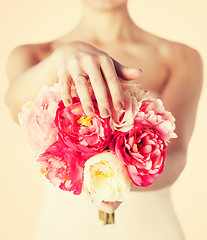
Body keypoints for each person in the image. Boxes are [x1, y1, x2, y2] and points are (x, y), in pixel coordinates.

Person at [5, 0, 203, 239]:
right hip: (62, 228)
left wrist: (119, 177)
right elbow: (14, 104)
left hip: (150, 228)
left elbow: (177, 155)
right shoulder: (32, 56)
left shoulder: (181, 57)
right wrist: (62, 58)